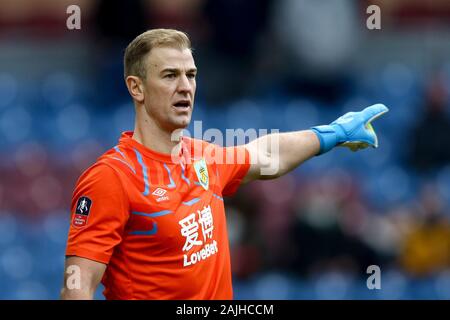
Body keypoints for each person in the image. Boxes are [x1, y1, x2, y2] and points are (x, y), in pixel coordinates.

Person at [60, 28, 388, 300]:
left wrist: (332, 134)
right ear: (137, 87)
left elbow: (266, 155)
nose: (185, 87)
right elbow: (77, 286)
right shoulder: (111, 178)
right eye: (170, 75)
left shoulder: (203, 156)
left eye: (191, 75)